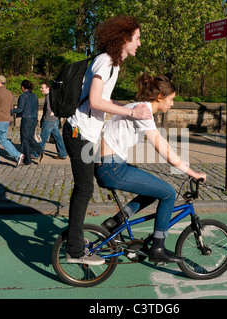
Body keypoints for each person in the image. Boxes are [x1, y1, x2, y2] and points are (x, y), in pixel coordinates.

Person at [63, 15, 152, 265]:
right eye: (137, 38)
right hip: (78, 133)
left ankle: (102, 231)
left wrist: (128, 109)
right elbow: (94, 101)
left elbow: (106, 100)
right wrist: (132, 112)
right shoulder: (105, 61)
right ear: (124, 39)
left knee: (100, 182)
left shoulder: (113, 64)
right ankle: (75, 250)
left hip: (88, 135)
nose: (139, 43)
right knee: (84, 189)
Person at [95, 74, 207, 263]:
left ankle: (114, 223)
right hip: (112, 167)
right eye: (171, 99)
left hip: (109, 165)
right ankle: (158, 247)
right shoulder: (144, 111)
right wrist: (192, 172)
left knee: (153, 191)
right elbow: (162, 147)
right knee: (168, 193)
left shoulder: (136, 107)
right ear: (160, 97)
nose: (172, 104)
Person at [11, 79, 44, 166]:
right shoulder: (35, 96)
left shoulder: (23, 96)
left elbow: (20, 109)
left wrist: (10, 111)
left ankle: (27, 160)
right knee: (29, 138)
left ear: (22, 87)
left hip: (26, 119)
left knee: (24, 139)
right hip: (34, 119)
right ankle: (39, 151)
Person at [38, 83, 67, 160]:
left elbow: (48, 109)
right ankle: (62, 154)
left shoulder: (48, 96)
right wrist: (55, 113)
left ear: (48, 88)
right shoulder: (54, 95)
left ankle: (35, 154)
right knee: (58, 138)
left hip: (49, 121)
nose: (41, 89)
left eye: (42, 88)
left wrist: (46, 117)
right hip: (55, 120)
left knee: (42, 138)